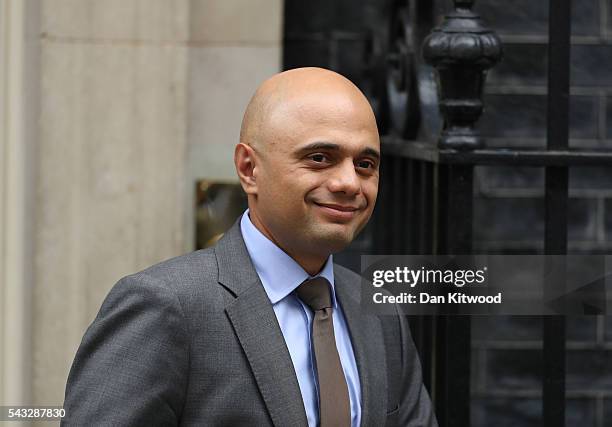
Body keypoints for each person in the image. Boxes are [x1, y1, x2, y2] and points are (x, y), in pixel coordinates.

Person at [62, 67, 437, 426]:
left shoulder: (378, 312)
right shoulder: (166, 306)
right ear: (248, 169)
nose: (349, 183)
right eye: (320, 158)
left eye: (365, 164)